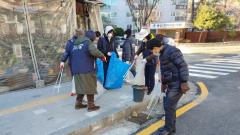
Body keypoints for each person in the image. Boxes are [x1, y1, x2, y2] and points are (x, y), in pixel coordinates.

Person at [147, 38, 190, 135]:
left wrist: (184, 81)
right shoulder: (162, 53)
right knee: (169, 106)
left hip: (178, 83)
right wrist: (164, 83)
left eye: (152, 50)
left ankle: (168, 129)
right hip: (170, 83)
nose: (152, 52)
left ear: (155, 48)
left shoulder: (172, 51)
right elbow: (165, 71)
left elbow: (183, 65)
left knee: (168, 106)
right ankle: (171, 127)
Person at [60, 30, 106, 112]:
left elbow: (67, 52)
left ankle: (78, 104)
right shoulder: (87, 42)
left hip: (76, 69)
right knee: (90, 86)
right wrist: (102, 56)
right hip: (86, 68)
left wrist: (62, 61)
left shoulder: (73, 43)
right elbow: (94, 51)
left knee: (81, 86)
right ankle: (91, 105)